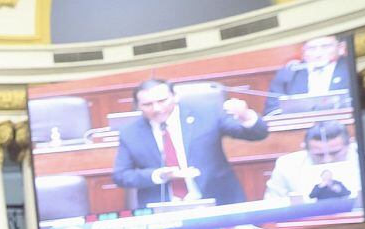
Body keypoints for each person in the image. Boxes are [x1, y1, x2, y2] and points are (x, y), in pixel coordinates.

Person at [112, 78, 268, 209]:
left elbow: (257, 134)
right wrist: (160, 174)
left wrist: (245, 115)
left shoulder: (207, 114)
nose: (157, 109)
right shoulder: (130, 133)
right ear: (138, 106)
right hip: (164, 210)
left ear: (175, 97)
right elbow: (121, 176)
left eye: (162, 101)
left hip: (217, 202)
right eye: (147, 105)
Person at [264, 121, 360, 201]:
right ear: (305, 149)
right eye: (319, 154)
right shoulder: (286, 165)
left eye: (335, 153)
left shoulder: (364, 157)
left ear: (349, 144)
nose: (327, 160)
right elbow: (272, 203)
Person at [264, 36, 352, 116]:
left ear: (341, 48)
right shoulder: (289, 73)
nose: (318, 54)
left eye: (325, 47)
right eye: (311, 49)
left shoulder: (351, 69)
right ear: (304, 51)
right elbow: (272, 111)